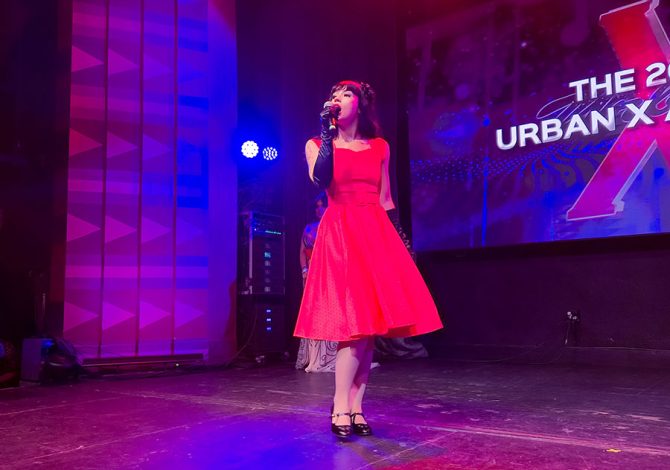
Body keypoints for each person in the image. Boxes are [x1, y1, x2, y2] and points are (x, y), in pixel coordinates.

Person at [293, 80, 443, 439]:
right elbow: (321, 179)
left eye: (346, 95)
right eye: (333, 95)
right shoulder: (316, 144)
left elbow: (386, 198)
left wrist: (400, 244)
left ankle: (357, 406)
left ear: (359, 104)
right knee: (353, 325)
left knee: (371, 326)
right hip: (340, 233)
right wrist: (327, 132)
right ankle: (339, 405)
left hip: (375, 232)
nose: (337, 99)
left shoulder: (380, 147)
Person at [295, 193, 338, 372]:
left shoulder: (335, 225)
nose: (319, 209)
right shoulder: (309, 228)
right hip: (312, 275)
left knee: (329, 311)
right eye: (317, 206)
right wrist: (304, 270)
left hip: (330, 273)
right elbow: (302, 252)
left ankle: (330, 355)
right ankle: (312, 356)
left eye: (323, 205)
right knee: (312, 312)